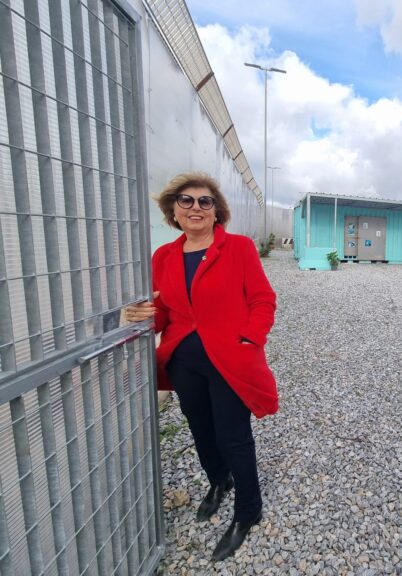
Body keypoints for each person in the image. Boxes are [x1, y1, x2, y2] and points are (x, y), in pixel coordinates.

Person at [125, 173, 278, 561]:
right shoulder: (163, 256)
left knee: (233, 435)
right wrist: (141, 316)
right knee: (200, 428)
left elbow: (262, 300)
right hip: (184, 363)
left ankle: (248, 509)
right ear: (173, 211)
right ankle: (219, 481)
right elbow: (164, 312)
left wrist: (250, 341)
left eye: (204, 201)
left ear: (216, 211)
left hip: (229, 361)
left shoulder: (239, 248)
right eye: (186, 200)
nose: (195, 207)